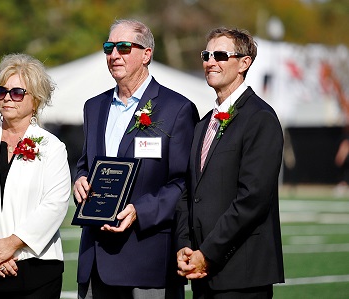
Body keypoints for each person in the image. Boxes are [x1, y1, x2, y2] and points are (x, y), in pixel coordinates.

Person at [73, 19, 199, 299]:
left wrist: (140, 210)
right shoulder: (94, 107)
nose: (114, 54)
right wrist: (79, 179)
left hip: (147, 260)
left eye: (124, 47)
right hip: (95, 259)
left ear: (147, 54)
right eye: (109, 47)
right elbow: (86, 163)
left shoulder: (177, 109)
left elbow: (183, 182)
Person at [176, 27, 285, 298]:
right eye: (206, 54)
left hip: (242, 275)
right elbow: (189, 192)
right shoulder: (203, 124)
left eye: (221, 55)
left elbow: (253, 200)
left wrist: (208, 253)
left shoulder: (260, 118)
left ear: (244, 63)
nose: (210, 61)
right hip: (202, 273)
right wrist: (184, 245)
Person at [0, 53, 71, 299]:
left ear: (35, 100)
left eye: (17, 92)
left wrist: (12, 244)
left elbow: (55, 205)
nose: (7, 97)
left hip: (37, 271)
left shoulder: (52, 146)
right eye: (1, 91)